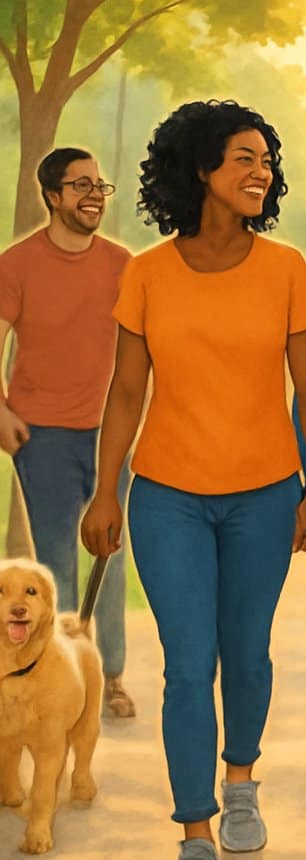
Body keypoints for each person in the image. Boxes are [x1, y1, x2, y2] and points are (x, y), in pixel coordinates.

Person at [81, 100, 306, 860]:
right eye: (243, 158)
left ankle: (242, 782)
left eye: (267, 159)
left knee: (246, 652)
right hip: (168, 498)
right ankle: (194, 840)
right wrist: (106, 490)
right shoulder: (147, 272)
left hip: (265, 496)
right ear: (199, 169)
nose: (260, 172)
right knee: (188, 670)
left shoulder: (287, 268)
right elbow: (126, 392)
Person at [0, 148, 135, 717]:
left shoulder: (122, 263)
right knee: (55, 559)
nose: (93, 196)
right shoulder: (17, 263)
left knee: (111, 552)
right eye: (79, 186)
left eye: (98, 186)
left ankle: (111, 677)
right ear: (52, 197)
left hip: (111, 432)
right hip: (44, 434)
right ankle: (60, 676)